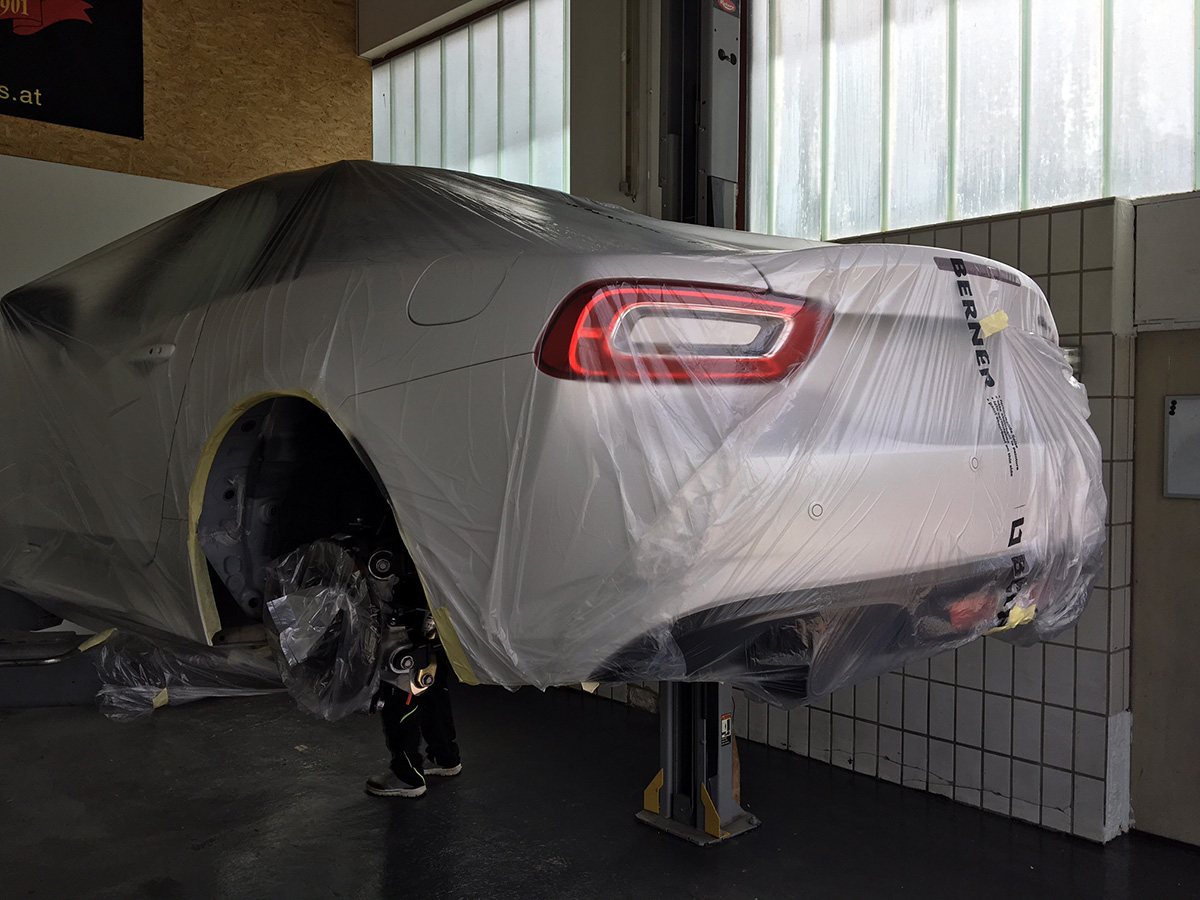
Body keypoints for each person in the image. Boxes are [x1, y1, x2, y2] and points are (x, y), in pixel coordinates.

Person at [365, 640, 462, 798]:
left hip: (403, 639)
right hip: (432, 632)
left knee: (401, 697)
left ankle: (407, 777)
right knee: (432, 681)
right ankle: (444, 757)